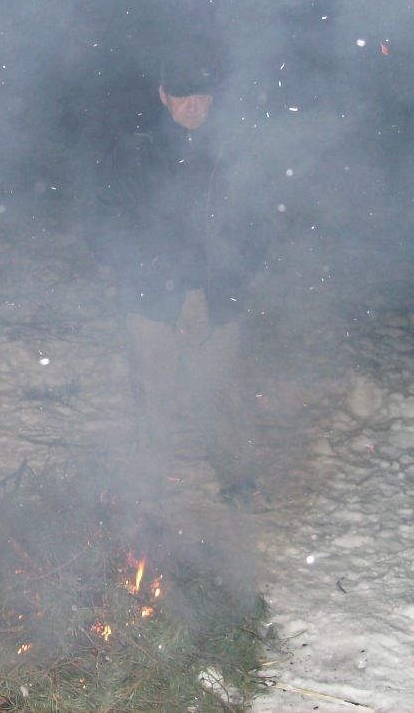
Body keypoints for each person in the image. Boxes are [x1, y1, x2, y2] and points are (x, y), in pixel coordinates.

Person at [91, 46, 267, 505]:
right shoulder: (134, 150)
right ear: (164, 95)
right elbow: (104, 223)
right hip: (151, 298)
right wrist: (144, 268)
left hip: (217, 293)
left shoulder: (233, 151)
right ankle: (149, 488)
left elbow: (258, 220)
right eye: (184, 96)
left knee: (220, 391)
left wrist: (237, 266)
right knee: (154, 396)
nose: (194, 107)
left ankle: (239, 478)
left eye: (203, 97)